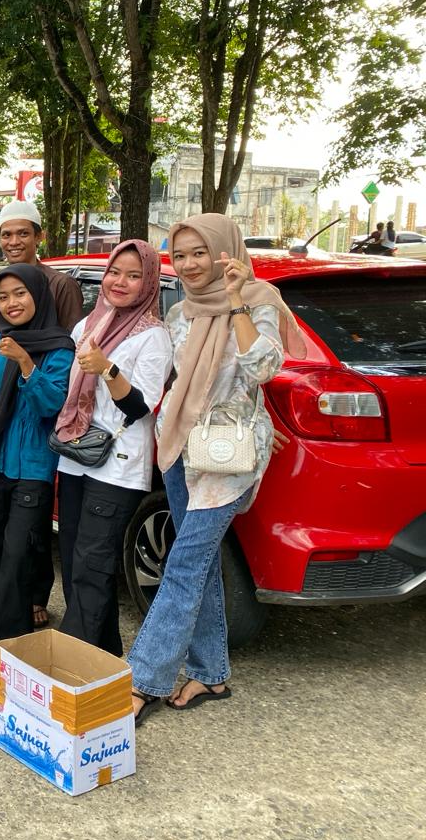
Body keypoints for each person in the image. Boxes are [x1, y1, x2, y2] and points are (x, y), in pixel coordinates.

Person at [128, 213, 305, 725]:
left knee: (183, 564)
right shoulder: (180, 312)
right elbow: (180, 378)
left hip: (227, 458)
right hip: (181, 446)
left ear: (224, 250)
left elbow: (263, 369)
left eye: (198, 253)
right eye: (179, 255)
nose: (187, 265)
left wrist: (235, 303)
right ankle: (211, 672)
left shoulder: (258, 300)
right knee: (198, 566)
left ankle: (145, 679)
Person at [0, 198, 83, 623]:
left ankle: (30, 598)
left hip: (33, 421)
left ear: (38, 236)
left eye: (22, 233)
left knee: (27, 534)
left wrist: (29, 361)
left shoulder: (59, 285)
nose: (13, 241)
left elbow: (63, 355)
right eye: (6, 234)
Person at [52, 240, 172, 656]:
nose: (120, 282)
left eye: (134, 275)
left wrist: (106, 368)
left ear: (149, 282)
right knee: (72, 558)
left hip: (118, 466)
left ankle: (71, 665)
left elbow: (142, 406)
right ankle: (102, 655)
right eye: (115, 272)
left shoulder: (153, 336)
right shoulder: (88, 325)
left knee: (92, 563)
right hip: (77, 457)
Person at [0, 265, 74, 681]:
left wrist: (28, 364)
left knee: (16, 553)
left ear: (39, 296)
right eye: (4, 296)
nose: (11, 303)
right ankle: (23, 609)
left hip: (33, 466)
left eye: (20, 294)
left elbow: (51, 405)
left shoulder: (60, 347)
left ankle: (4, 650)